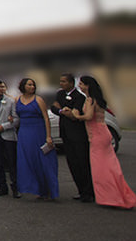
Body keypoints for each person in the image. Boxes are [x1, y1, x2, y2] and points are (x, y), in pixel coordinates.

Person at [72, 75, 136, 209]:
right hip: (102, 133)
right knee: (110, 166)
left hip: (98, 135)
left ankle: (111, 197)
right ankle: (113, 195)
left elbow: (88, 116)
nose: (79, 86)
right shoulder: (97, 99)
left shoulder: (91, 100)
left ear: (88, 85)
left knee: (101, 168)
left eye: (81, 84)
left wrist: (76, 114)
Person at [51, 72, 94, 203]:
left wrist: (66, 111)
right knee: (73, 164)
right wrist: (61, 111)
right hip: (65, 134)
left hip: (78, 135)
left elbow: (74, 114)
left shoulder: (79, 97)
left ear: (71, 83)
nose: (61, 84)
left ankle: (89, 192)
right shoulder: (60, 94)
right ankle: (80, 190)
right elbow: (54, 107)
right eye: (60, 81)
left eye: (64, 81)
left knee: (83, 163)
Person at [15, 77, 58, 200]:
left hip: (38, 131)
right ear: (23, 86)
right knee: (27, 160)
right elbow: (15, 114)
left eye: (33, 85)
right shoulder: (18, 99)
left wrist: (48, 136)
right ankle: (35, 188)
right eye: (29, 85)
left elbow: (46, 118)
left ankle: (47, 189)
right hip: (24, 132)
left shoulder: (38, 100)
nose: (32, 87)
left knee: (42, 161)